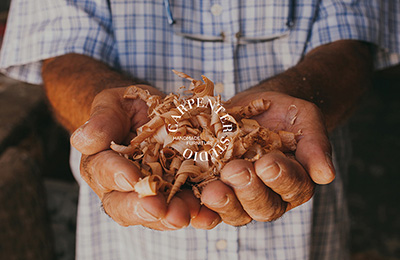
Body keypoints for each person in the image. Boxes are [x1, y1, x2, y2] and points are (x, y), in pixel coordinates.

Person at [1, 0, 399, 259]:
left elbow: (352, 39)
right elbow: (61, 44)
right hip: (134, 246)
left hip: (298, 235)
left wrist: (293, 94)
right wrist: (104, 108)